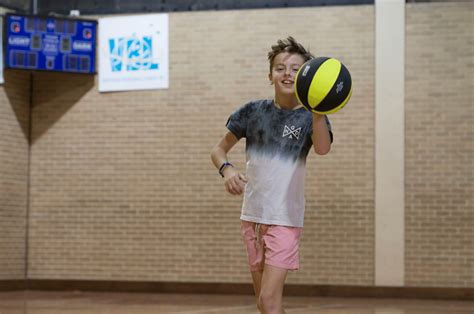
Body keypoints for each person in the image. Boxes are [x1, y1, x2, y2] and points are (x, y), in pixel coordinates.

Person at [210, 36, 333, 314]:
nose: (287, 73)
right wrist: (227, 170)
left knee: (267, 300)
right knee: (265, 305)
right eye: (280, 67)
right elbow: (218, 150)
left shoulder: (311, 117)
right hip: (252, 218)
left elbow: (323, 149)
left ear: (305, 78)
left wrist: (317, 113)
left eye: (295, 69)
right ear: (270, 75)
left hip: (285, 219)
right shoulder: (252, 112)